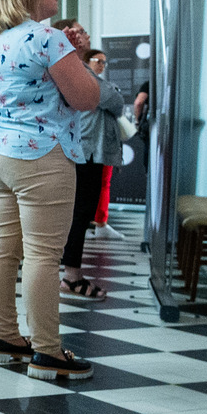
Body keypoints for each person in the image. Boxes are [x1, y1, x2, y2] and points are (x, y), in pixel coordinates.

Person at [0, 0, 103, 382]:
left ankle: (4, 338)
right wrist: (80, 60)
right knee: (43, 255)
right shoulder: (47, 38)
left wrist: (68, 54)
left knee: (2, 248)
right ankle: (48, 352)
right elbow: (87, 98)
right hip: (41, 156)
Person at [61, 46, 129, 299]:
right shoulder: (79, 73)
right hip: (85, 151)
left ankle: (71, 274)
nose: (84, 36)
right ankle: (71, 276)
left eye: (103, 61)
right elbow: (114, 101)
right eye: (97, 60)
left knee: (81, 213)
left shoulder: (81, 74)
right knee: (80, 213)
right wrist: (112, 92)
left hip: (87, 150)